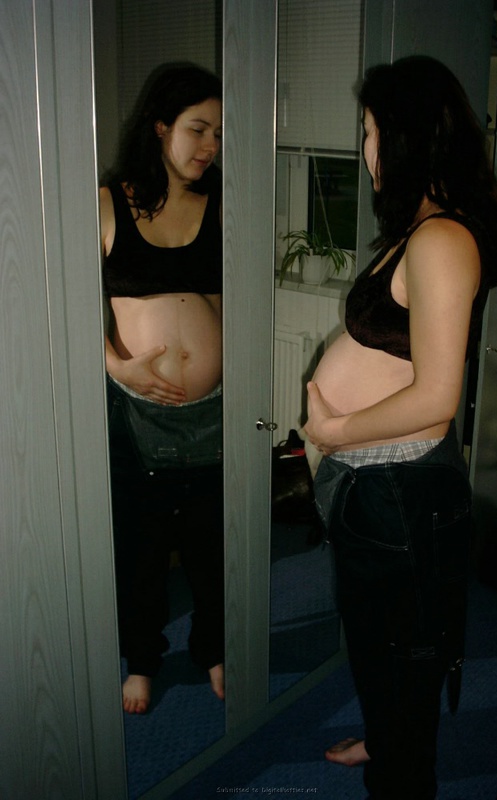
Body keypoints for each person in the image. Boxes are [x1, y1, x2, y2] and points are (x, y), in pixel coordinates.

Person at [304, 55, 497, 799]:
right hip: (379, 489)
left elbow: (436, 397)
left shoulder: (441, 241)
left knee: (404, 654)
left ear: (405, 137)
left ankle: (399, 766)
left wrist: (335, 430)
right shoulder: (416, 231)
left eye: (368, 131)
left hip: (398, 495)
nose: (364, 149)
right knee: (380, 644)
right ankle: (385, 733)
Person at [100, 63, 224, 714]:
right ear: (159, 127)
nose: (210, 145)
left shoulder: (221, 202)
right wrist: (116, 366)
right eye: (198, 129)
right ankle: (142, 660)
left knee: (212, 544)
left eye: (218, 134)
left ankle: (214, 648)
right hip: (136, 412)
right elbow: (61, 303)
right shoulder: (106, 203)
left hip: (214, 411)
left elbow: (228, 303)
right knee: (142, 547)